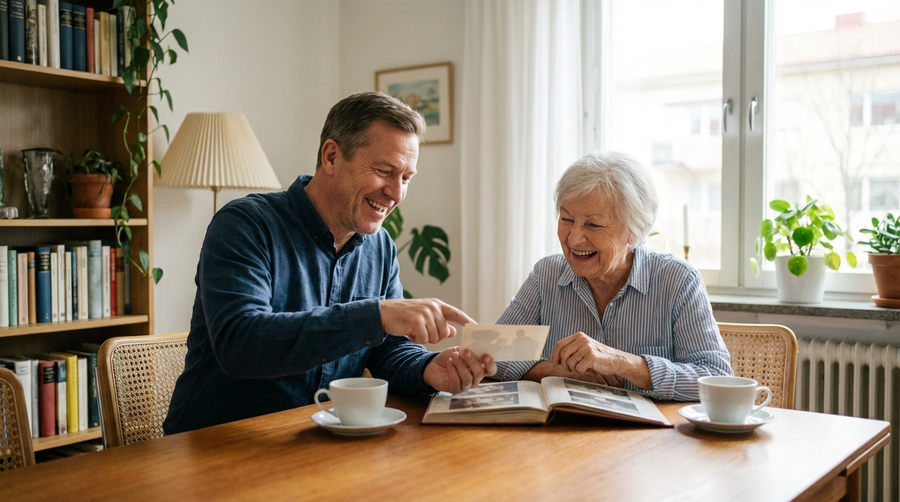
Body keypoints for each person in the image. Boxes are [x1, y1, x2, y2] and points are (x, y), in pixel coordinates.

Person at [164, 92, 496, 434]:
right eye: (385, 171)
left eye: (406, 178)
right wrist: (376, 315)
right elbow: (241, 344)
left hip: (317, 442)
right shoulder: (245, 224)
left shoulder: (380, 246)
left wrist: (428, 368)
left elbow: (388, 350)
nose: (396, 193)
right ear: (332, 157)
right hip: (214, 442)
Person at [492, 151, 732, 401]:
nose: (574, 238)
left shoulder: (678, 281)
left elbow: (717, 377)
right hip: (564, 424)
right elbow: (493, 355)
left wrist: (621, 363)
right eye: (566, 219)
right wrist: (556, 373)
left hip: (648, 427)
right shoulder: (546, 275)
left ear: (633, 231)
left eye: (593, 225)